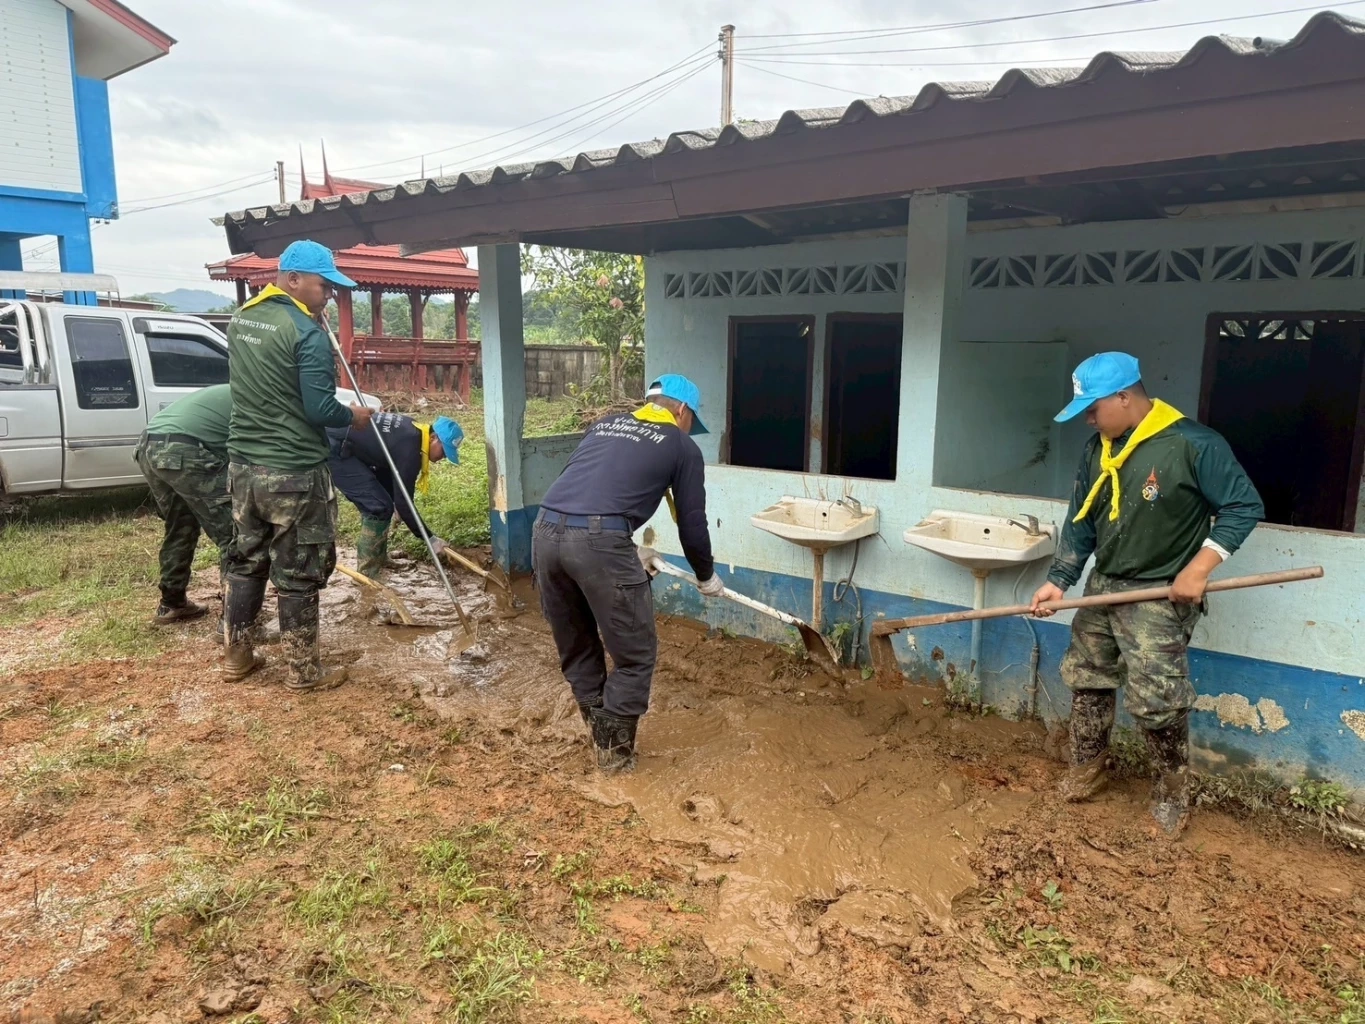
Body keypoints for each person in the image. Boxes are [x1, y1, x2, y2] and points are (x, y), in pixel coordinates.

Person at [1031, 352, 1263, 835]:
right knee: (1088, 677)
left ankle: (1172, 792)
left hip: (1159, 594)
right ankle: (1088, 769)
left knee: (1158, 698)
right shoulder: (1099, 448)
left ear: (1124, 396)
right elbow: (1081, 520)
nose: (1089, 420)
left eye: (1093, 409)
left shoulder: (1193, 444)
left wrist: (1199, 568)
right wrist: (1060, 579)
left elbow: (1244, 505)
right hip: (1104, 586)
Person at [533, 374, 722, 772]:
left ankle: (598, 744)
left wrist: (629, 547)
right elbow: (692, 521)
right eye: (692, 421)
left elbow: (587, 492)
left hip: (545, 533)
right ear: (682, 411)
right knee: (635, 657)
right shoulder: (681, 445)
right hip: (599, 542)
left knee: (579, 645)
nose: (691, 430)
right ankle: (615, 764)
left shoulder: (603, 426)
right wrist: (706, 575)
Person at [221, 239, 375, 691]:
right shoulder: (306, 333)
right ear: (292, 280)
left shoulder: (243, 318)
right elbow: (319, 409)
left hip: (243, 467)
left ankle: (237, 656)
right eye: (324, 286)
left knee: (246, 560)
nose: (329, 295)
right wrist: (354, 416)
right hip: (293, 469)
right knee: (299, 570)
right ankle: (304, 673)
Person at [134, 383, 234, 625]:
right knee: (235, 536)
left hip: (148, 445)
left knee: (181, 524)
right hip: (185, 449)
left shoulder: (233, 390)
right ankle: (235, 620)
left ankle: (171, 603)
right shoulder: (261, 402)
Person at [326, 413, 463, 577]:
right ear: (433, 437)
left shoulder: (414, 432)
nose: (444, 457)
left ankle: (379, 559)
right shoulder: (411, 450)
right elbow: (405, 501)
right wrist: (430, 539)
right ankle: (368, 573)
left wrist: (395, 500)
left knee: (384, 503)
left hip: (349, 443)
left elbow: (386, 466)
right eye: (444, 451)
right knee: (377, 507)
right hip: (336, 449)